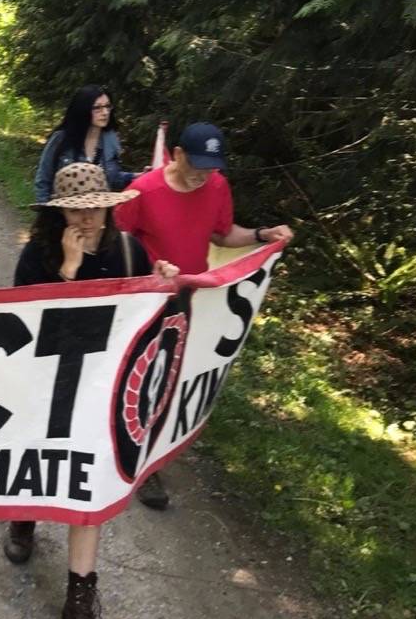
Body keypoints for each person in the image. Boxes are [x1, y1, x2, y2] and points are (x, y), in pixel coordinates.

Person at [5, 162, 179, 619]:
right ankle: (25, 516)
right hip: (46, 388)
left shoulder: (129, 249)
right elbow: (23, 329)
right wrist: (67, 272)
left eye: (96, 210)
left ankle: (79, 602)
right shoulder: (36, 256)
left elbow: (150, 317)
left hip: (101, 392)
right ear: (59, 215)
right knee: (36, 465)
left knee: (87, 489)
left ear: (109, 207)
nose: (88, 221)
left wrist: (162, 279)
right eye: (77, 213)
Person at [114, 122, 294, 509]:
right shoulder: (143, 190)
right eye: (196, 165)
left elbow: (222, 235)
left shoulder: (216, 186)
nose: (202, 174)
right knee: (138, 375)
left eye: (210, 167)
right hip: (145, 299)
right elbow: (116, 243)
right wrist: (144, 271)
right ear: (177, 153)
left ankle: (147, 462)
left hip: (189, 300)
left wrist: (264, 235)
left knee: (170, 379)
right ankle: (126, 452)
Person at [34, 86, 134, 199]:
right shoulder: (61, 139)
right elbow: (43, 180)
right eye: (97, 108)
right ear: (83, 110)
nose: (105, 112)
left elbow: (114, 179)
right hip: (64, 212)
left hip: (97, 212)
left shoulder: (110, 139)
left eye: (107, 106)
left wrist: (136, 177)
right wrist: (45, 211)